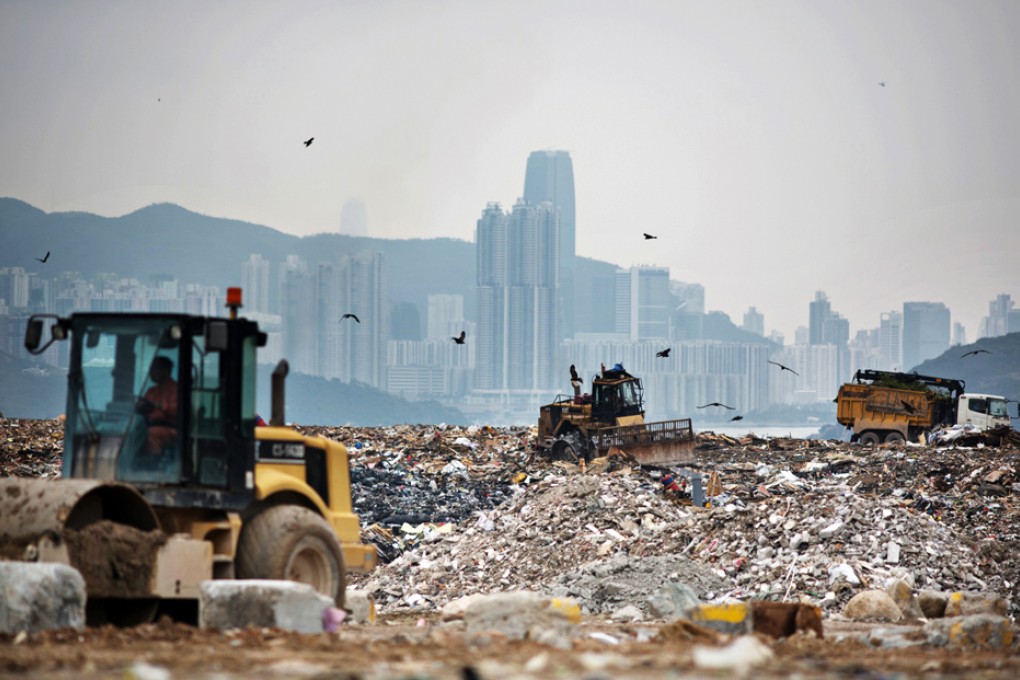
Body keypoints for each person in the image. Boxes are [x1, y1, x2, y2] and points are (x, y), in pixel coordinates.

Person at [138, 356, 178, 455]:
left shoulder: (177, 390)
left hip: (171, 427)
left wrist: (159, 409)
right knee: (132, 433)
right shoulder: (151, 391)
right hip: (148, 425)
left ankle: (153, 460)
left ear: (166, 371)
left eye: (154, 369)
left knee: (150, 434)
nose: (150, 372)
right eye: (150, 369)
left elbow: (176, 411)